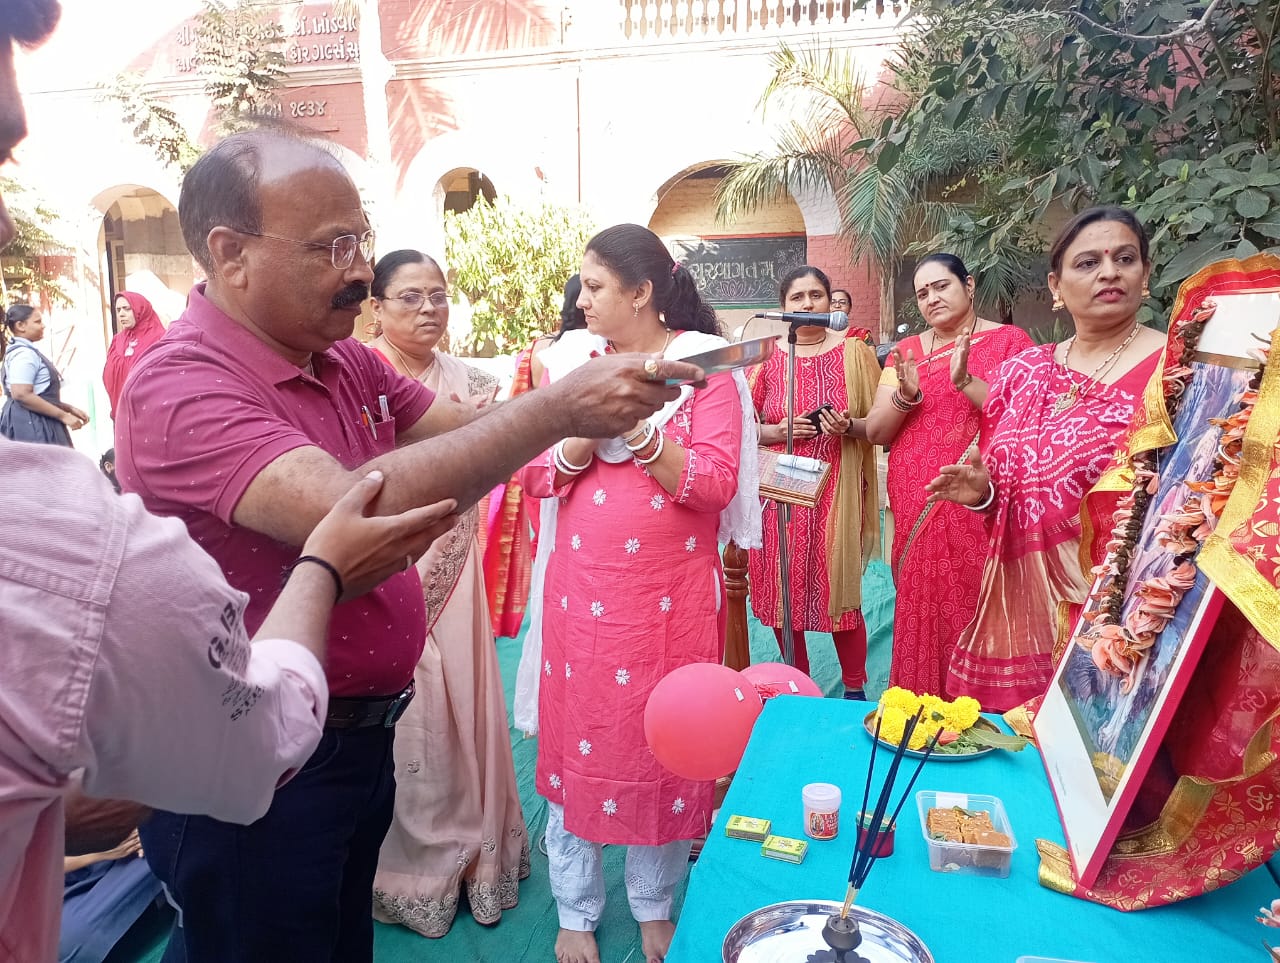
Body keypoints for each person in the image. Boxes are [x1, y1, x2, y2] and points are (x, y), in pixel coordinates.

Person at [114, 128, 703, 963]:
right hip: (251, 762)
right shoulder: (181, 383)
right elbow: (348, 509)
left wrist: (586, 398)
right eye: (333, 247)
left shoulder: (341, 362)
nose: (361, 269)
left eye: (362, 241)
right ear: (231, 253)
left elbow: (464, 428)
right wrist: (560, 408)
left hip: (352, 740)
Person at [517, 223, 760, 963]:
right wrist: (588, 430)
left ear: (641, 291)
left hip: (669, 602)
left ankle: (654, 903)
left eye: (595, 286)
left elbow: (714, 484)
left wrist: (646, 434)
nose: (581, 300)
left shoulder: (704, 368)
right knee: (580, 739)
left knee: (664, 740)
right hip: (582, 598)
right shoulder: (573, 366)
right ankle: (575, 907)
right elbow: (535, 476)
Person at [928, 206, 1166, 710]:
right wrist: (982, 494)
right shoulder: (1024, 371)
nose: (1108, 272)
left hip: (1129, 612)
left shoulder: (1175, 371)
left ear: (1145, 275)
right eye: (1088, 263)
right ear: (1057, 286)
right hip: (1024, 614)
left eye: (1124, 259)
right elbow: (1011, 495)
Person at [364, 249, 529, 937]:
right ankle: (409, 869)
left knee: (463, 697)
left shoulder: (470, 382)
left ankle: (479, 855)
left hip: (457, 570)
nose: (428, 308)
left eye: (437, 294)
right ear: (375, 307)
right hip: (383, 568)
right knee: (414, 713)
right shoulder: (357, 378)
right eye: (409, 296)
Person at [865, 254, 1032, 696]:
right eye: (922, 293)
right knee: (922, 600)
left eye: (941, 286)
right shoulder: (906, 353)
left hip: (979, 497)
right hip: (916, 495)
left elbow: (1024, 418)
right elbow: (877, 431)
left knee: (977, 596)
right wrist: (905, 396)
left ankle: (980, 705)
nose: (932, 299)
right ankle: (922, 706)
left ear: (969, 285)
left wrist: (965, 381)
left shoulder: (1010, 342)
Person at [747, 265, 881, 698]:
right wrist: (777, 429)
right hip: (778, 496)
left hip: (837, 492)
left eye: (816, 295)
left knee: (841, 592)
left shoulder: (855, 352)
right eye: (797, 297)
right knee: (783, 593)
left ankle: (855, 690)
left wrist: (847, 426)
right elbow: (739, 427)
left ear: (830, 300)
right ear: (783, 307)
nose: (808, 304)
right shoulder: (766, 357)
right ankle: (798, 687)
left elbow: (879, 425)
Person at [59, 828, 165, 963]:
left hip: (142, 836)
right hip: (79, 867)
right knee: (67, 937)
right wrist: (100, 852)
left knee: (73, 935)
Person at [0, 304, 87, 444]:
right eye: (37, 322)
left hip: (33, 420)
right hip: (32, 426)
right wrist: (63, 416)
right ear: (20, 325)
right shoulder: (24, 355)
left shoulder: (24, 351)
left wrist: (67, 408)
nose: (43, 326)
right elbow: (21, 394)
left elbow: (38, 394)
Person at [102, 291, 165, 419]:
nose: (121, 314)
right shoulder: (117, 340)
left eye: (127, 309)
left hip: (150, 416)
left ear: (140, 309)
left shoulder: (159, 338)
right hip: (120, 416)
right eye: (118, 310)